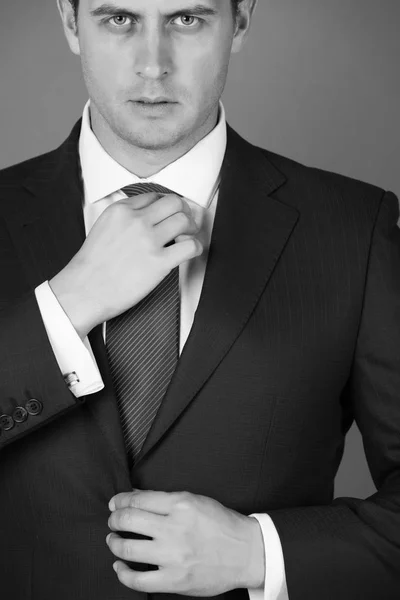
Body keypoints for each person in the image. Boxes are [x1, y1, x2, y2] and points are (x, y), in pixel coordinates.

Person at [0, 0, 399, 598]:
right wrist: (64, 309)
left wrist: (259, 553)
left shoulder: (354, 230)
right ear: (68, 21)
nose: (153, 66)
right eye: (119, 19)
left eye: (186, 19)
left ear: (240, 20)